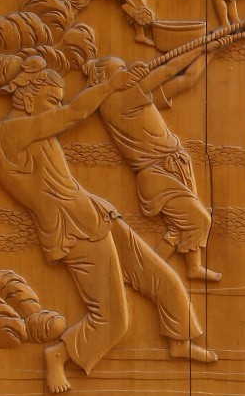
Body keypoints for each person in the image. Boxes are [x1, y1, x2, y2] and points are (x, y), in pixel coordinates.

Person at [0, 57, 215, 392]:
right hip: (72, 230)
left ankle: (180, 340)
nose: (57, 106)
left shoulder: (33, 128)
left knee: (160, 275)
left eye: (58, 101)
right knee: (113, 319)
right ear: (27, 98)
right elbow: (74, 113)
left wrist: (113, 86)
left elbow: (69, 112)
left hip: (96, 213)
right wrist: (110, 85)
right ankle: (59, 355)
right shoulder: (7, 135)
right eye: (51, 100)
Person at [90, 44, 220, 283]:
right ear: (107, 81)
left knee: (179, 227)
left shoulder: (135, 100)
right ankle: (149, 272)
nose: (127, 74)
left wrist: (211, 51)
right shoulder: (119, 101)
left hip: (174, 165)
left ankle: (188, 268)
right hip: (157, 173)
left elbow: (187, 80)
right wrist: (201, 46)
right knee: (201, 219)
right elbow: (167, 70)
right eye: (121, 72)